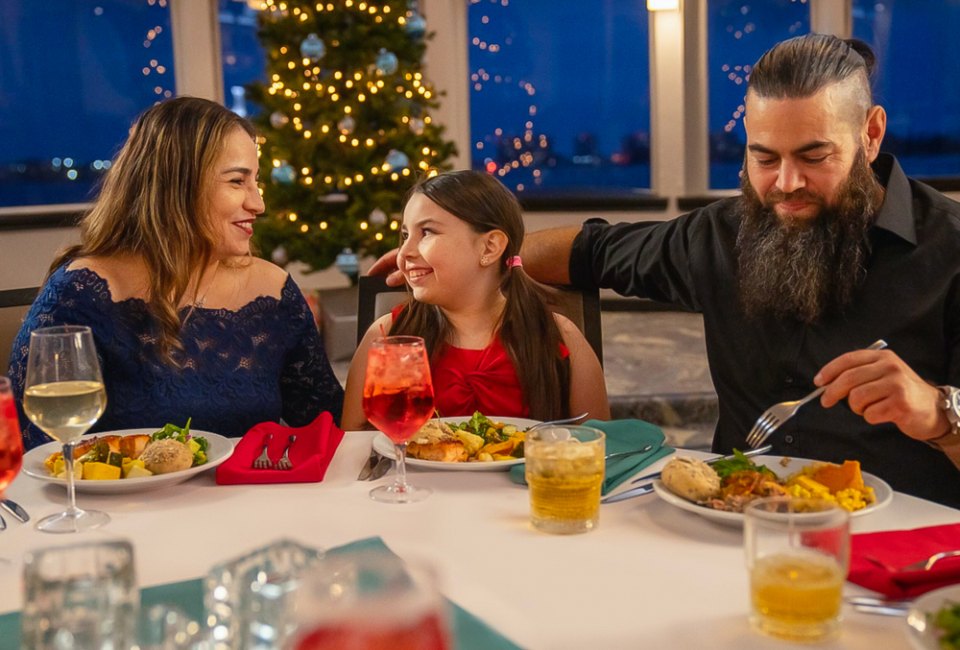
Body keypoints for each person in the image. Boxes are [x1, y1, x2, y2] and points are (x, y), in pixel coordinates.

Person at [373, 34, 960, 507]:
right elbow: (587, 250)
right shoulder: (721, 235)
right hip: (731, 521)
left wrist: (940, 414)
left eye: (814, 156)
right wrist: (457, 262)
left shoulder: (949, 252)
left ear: (871, 132)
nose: (785, 184)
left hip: (903, 538)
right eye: (763, 157)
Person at [8, 96, 344, 449]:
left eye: (255, 181)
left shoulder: (272, 291)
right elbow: (31, 454)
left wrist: (386, 325)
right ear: (177, 185)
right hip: (127, 504)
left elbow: (331, 430)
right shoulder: (81, 293)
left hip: (252, 501)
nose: (258, 203)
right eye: (236, 181)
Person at [342, 170, 609, 430]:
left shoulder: (560, 336)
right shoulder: (386, 337)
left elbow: (600, 448)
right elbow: (353, 449)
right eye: (405, 235)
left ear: (489, 247)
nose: (405, 252)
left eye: (427, 232)